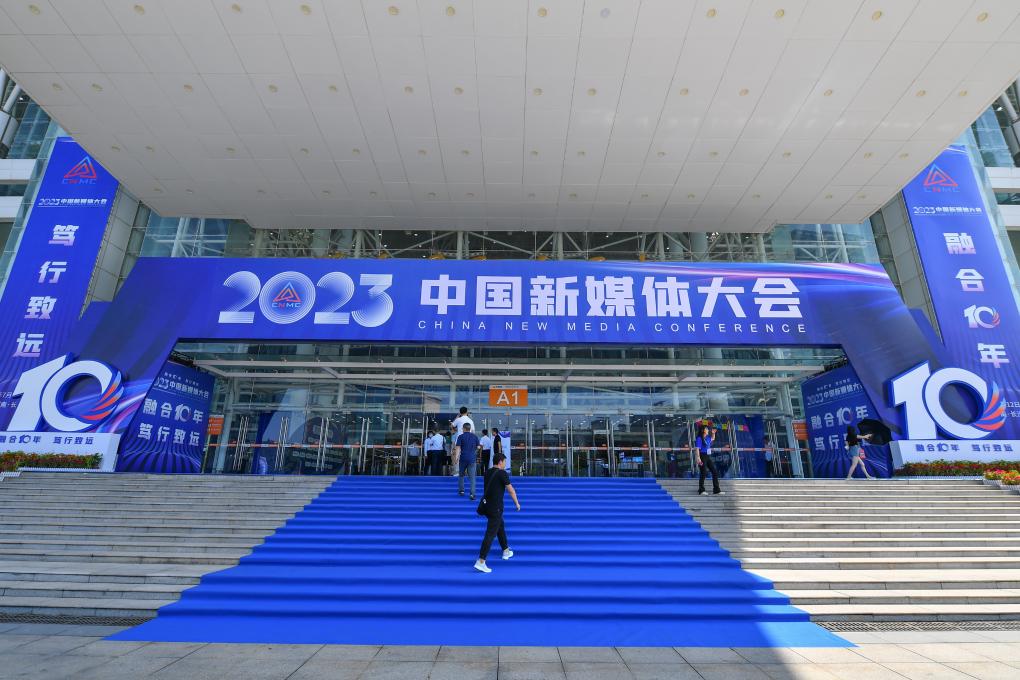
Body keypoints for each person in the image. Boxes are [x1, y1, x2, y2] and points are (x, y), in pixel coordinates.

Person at [475, 452, 520, 574]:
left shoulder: (487, 472)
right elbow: (511, 490)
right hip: (496, 508)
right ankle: (481, 561)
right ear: (500, 462)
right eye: (504, 462)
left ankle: (505, 550)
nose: (505, 464)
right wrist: (517, 503)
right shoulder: (502, 473)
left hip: (488, 507)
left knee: (500, 526)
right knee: (490, 534)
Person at [455, 422, 481, 499]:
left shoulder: (460, 436)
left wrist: (456, 458)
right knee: (472, 477)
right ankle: (472, 494)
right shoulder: (475, 436)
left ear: (464, 428)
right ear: (469, 429)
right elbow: (478, 447)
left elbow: (458, 448)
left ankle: (461, 491)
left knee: (461, 475)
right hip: (472, 458)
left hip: (463, 458)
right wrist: (474, 452)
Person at [695, 424, 724, 496]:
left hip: (708, 456)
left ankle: (716, 490)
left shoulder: (708, 438)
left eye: (708, 429)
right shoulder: (699, 438)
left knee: (714, 471)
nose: (708, 430)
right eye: (706, 429)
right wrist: (698, 457)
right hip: (702, 456)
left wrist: (713, 433)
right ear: (703, 430)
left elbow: (713, 438)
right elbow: (697, 449)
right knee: (703, 472)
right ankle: (701, 490)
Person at [451, 407, 474, 476]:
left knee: (458, 455)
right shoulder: (470, 420)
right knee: (468, 455)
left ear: (460, 412)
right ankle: (467, 472)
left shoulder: (458, 419)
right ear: (467, 412)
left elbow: (452, 425)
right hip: (469, 440)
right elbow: (473, 431)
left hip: (460, 439)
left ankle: (458, 472)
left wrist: (457, 416)